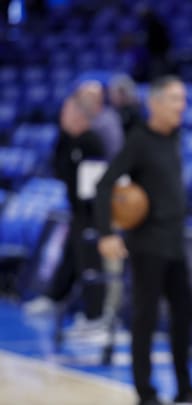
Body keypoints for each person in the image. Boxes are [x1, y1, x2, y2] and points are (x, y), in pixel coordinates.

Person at [94, 76, 192, 405]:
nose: (181, 106)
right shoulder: (138, 140)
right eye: (175, 99)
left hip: (175, 242)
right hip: (146, 245)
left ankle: (184, 388)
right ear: (154, 104)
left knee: (184, 315)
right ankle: (145, 392)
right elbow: (104, 186)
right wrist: (106, 233)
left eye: (183, 99)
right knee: (144, 319)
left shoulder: (174, 137)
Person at [23, 96, 106, 316]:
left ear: (79, 115)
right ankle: (55, 298)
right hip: (76, 210)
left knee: (89, 262)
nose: (62, 116)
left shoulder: (91, 141)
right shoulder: (68, 141)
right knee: (70, 257)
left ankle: (94, 315)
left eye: (67, 112)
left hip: (91, 213)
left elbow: (92, 187)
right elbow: (59, 170)